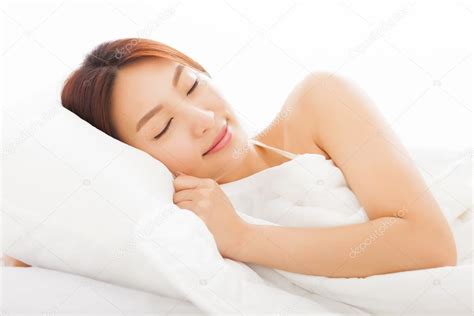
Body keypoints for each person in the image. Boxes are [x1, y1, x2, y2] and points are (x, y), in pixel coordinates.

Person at [5, 38, 457, 277]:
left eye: (192, 85)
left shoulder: (318, 103)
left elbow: (430, 247)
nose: (203, 118)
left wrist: (242, 239)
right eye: (161, 128)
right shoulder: (172, 219)